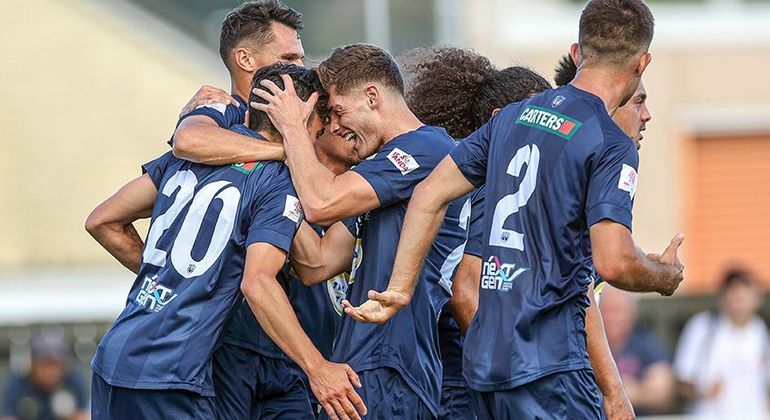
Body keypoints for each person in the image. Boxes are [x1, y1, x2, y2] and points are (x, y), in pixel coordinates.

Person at [344, 0, 687, 417]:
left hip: (486, 367)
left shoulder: (512, 117)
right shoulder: (608, 141)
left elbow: (430, 193)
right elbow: (613, 262)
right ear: (642, 63)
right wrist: (662, 277)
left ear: (578, 53)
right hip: (551, 364)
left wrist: (400, 287)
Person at [84, 64, 364, 420]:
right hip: (173, 376)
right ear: (305, 120)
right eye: (319, 128)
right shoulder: (278, 180)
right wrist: (318, 367)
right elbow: (259, 282)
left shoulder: (187, 157)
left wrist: (175, 279)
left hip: (114, 357)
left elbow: (102, 220)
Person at [404, 46, 633, 420]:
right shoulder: (494, 190)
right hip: (489, 382)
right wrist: (516, 363)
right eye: (535, 117)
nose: (548, 130)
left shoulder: (550, 190)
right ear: (501, 121)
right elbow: (466, 290)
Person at [251, 44, 468, 419]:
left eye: (337, 111)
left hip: (393, 361)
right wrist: (269, 194)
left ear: (372, 97)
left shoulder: (427, 150)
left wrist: (291, 131)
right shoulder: (378, 171)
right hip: (360, 363)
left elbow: (321, 203)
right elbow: (317, 263)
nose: (334, 127)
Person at [171, 0, 305, 164]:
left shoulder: (302, 113)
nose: (301, 67)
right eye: (289, 58)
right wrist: (288, 152)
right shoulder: (224, 108)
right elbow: (187, 141)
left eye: (300, 59)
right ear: (245, 60)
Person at [674, 268, 770, 418]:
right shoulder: (703, 326)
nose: (738, 299)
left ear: (756, 298)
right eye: (733, 292)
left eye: (744, 293)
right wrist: (703, 391)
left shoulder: (761, 330)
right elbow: (682, 381)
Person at [600, 286, 675, 415]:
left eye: (617, 310)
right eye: (606, 311)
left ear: (631, 313)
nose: (612, 317)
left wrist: (628, 392)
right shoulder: (587, 347)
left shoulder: (646, 344)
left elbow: (663, 392)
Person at [1, 335, 88, 420]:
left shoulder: (74, 380)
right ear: (33, 365)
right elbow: (8, 417)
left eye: (55, 365)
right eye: (45, 365)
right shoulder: (18, 383)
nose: (50, 372)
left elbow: (83, 415)